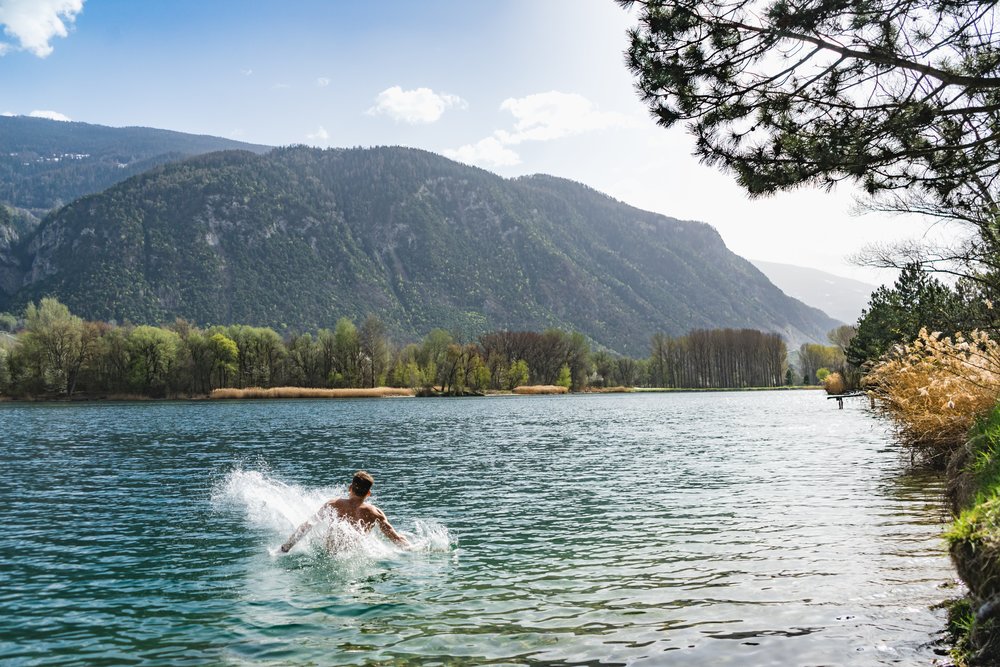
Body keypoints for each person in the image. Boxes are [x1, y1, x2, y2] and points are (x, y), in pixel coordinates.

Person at [280, 470, 409, 552]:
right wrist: (410, 547)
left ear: (350, 488)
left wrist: (286, 547)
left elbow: (307, 526)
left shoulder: (333, 504)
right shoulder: (375, 513)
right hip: (355, 555)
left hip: (330, 554)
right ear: (368, 493)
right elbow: (395, 538)